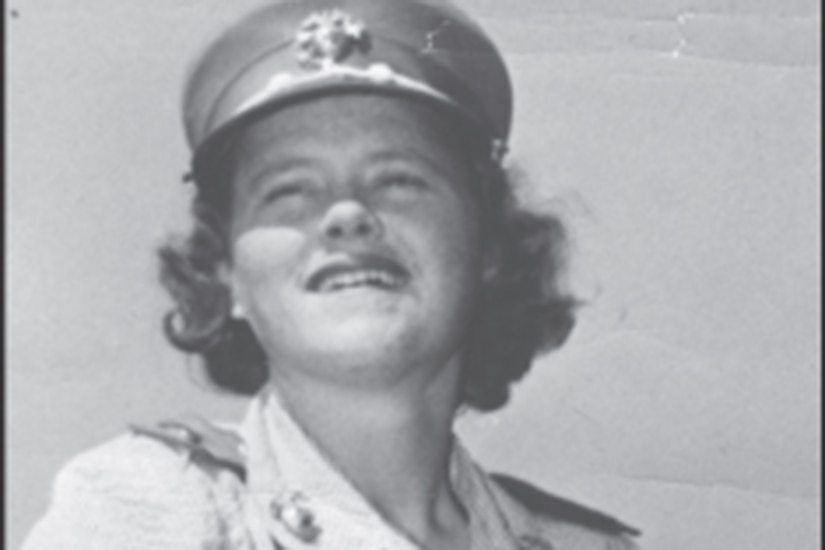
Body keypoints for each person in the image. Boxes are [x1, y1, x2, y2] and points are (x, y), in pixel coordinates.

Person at [23, 1, 641, 548]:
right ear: (225, 273)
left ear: (487, 245)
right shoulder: (150, 508)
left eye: (400, 179)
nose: (346, 215)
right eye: (290, 190)